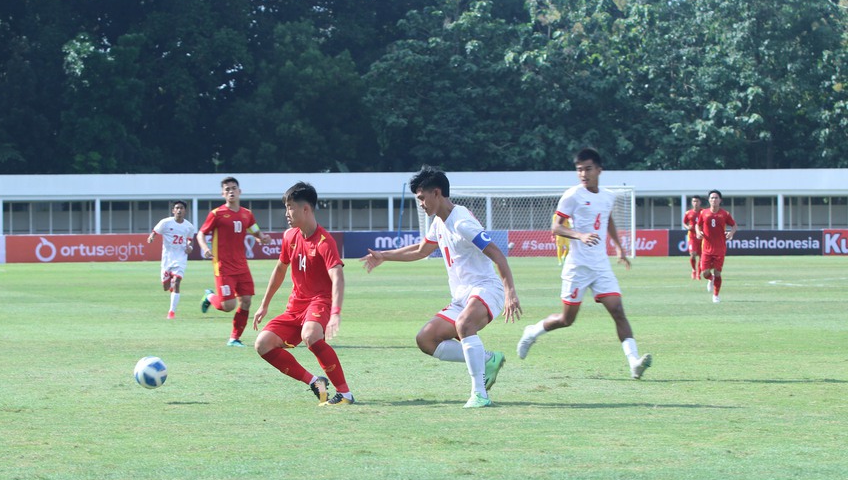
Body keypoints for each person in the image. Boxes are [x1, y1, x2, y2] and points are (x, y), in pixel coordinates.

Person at [361, 166, 521, 408]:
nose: (421, 204)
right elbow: (420, 250)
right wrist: (384, 255)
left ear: (437, 193)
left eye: (422, 198)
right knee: (426, 339)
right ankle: (488, 359)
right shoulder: (438, 222)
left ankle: (480, 394)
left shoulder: (462, 223)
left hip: (487, 289)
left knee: (464, 325)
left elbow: (498, 254)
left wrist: (510, 292)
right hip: (462, 297)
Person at [517, 148, 652, 379]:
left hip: (600, 266)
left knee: (618, 311)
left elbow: (607, 218)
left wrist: (619, 247)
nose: (583, 174)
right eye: (579, 170)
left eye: (588, 169)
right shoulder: (572, 195)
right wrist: (580, 235)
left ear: (599, 170)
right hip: (577, 266)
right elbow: (556, 226)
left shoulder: (608, 195)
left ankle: (633, 363)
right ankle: (532, 332)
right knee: (566, 319)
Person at [253, 182, 355, 406]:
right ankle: (314, 382)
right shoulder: (290, 236)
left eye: (290, 207)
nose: (286, 213)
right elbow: (280, 269)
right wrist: (264, 304)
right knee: (263, 344)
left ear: (305, 209)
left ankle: (345, 393)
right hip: (295, 307)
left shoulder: (324, 242)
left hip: (320, 302)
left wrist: (335, 313)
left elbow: (337, 277)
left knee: (311, 335)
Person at [196, 176, 270, 346]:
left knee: (246, 301)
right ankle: (210, 296)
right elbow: (201, 233)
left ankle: (234, 338)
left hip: (242, 265)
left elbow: (256, 232)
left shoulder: (247, 214)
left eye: (233, 188)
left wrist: (262, 237)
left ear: (239, 191)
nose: (231, 191)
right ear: (223, 193)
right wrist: (205, 248)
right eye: (227, 189)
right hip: (223, 266)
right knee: (228, 305)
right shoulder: (216, 214)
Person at [147, 200, 196, 319]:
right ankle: (171, 288)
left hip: (180, 258)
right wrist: (151, 237)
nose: (179, 210)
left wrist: (189, 247)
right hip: (167, 259)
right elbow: (155, 232)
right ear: (173, 210)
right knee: (166, 287)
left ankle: (171, 312)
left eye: (181, 208)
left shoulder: (189, 226)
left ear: (185, 211)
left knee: (177, 282)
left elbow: (190, 240)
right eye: (177, 208)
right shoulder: (165, 223)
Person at [695, 189, 737, 303]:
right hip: (706, 248)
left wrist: (731, 233)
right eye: (712, 198)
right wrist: (698, 232)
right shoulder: (703, 213)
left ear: (720, 200)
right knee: (705, 273)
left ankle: (716, 295)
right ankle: (711, 279)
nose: (714, 200)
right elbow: (697, 225)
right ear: (709, 200)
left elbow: (734, 225)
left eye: (716, 198)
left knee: (718, 272)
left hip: (720, 248)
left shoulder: (725, 214)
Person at [682, 195, 703, 279]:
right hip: (692, 237)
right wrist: (687, 227)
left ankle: (699, 273)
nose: (695, 203)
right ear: (692, 202)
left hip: (702, 237)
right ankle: (694, 270)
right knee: (693, 254)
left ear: (700, 202)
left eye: (697, 201)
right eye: (694, 201)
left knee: (702, 257)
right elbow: (684, 223)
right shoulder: (688, 213)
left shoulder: (704, 212)